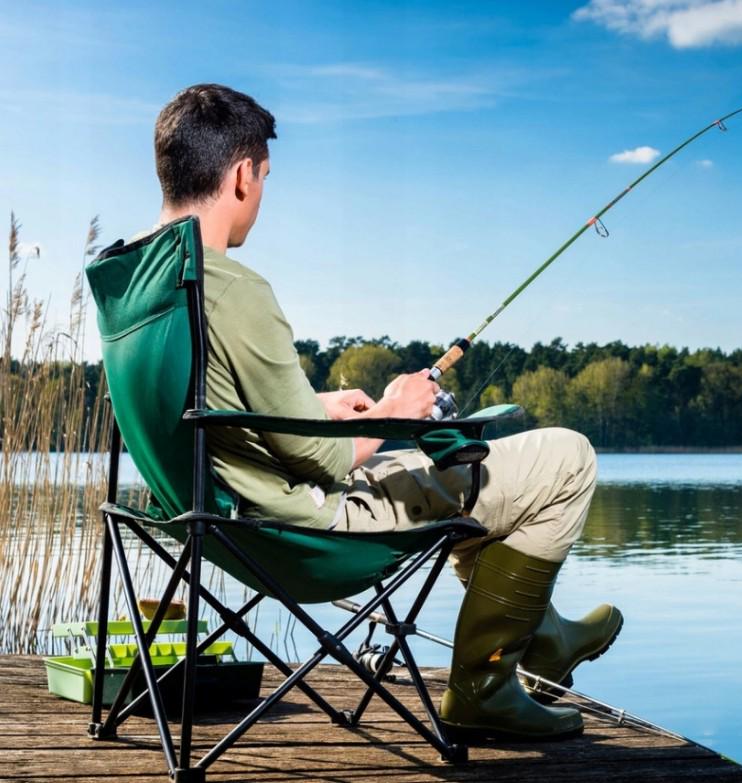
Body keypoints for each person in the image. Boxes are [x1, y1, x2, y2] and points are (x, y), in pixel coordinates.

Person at [148, 83, 622, 740]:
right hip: (307, 530)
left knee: (466, 469)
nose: (261, 193)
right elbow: (320, 458)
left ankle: (540, 636)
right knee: (566, 457)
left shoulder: (138, 276)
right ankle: (488, 680)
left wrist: (315, 405)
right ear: (238, 177)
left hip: (216, 519)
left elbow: (201, 405)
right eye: (263, 176)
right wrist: (395, 406)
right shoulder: (234, 287)